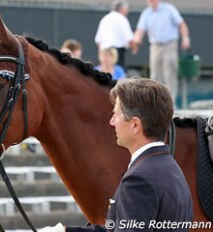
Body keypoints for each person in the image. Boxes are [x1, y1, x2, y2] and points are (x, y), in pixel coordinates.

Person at [39, 77, 193, 232]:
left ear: (135, 125)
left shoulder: (140, 180)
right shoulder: (171, 168)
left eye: (116, 114)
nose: (112, 121)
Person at [133, 0, 191, 104]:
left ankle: (170, 103)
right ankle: (155, 103)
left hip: (169, 44)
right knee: (155, 75)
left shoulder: (169, 9)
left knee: (170, 73)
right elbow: (140, 30)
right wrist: (136, 40)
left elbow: (181, 24)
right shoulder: (146, 13)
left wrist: (185, 38)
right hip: (155, 46)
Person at [94, 0, 134, 70]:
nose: (127, 12)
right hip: (117, 52)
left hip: (104, 51)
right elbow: (129, 39)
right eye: (126, 9)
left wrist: (103, 55)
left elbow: (98, 41)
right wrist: (134, 48)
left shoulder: (105, 19)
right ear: (122, 9)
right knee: (118, 77)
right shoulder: (122, 19)